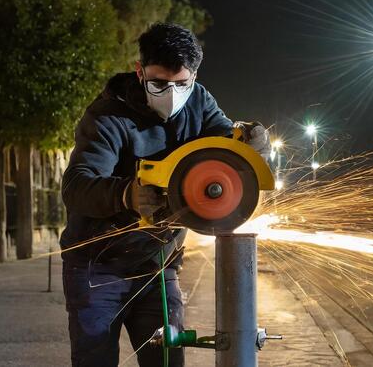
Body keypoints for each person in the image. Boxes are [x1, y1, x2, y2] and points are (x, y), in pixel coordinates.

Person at [60, 22, 268, 367]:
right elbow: (76, 187)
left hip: (158, 265)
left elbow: (223, 147)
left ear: (194, 77)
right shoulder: (106, 116)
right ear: (140, 72)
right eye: (158, 83)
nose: (171, 93)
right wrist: (127, 195)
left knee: (168, 362)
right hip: (98, 269)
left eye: (181, 83)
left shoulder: (199, 101)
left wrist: (246, 143)